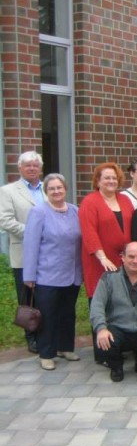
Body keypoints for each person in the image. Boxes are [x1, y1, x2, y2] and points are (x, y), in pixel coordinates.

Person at [22, 173, 82, 370]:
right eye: (51, 189)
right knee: (47, 315)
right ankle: (46, 353)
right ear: (46, 191)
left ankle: (66, 347)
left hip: (72, 274)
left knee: (67, 313)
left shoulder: (75, 210)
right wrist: (29, 276)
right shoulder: (39, 212)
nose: (56, 191)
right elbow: (31, 245)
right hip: (47, 275)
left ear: (65, 189)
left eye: (59, 188)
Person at [90, 242, 137, 382]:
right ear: (122, 257)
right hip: (117, 328)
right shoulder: (108, 278)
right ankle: (116, 365)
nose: (135, 261)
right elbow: (97, 306)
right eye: (131, 256)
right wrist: (101, 329)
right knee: (103, 345)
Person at [0, 151, 46, 353]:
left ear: (40, 168)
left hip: (48, 252)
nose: (32, 168)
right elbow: (5, 220)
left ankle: (46, 334)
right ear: (20, 168)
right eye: (27, 165)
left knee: (46, 294)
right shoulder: (8, 191)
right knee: (27, 296)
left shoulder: (50, 188)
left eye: (35, 165)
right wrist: (32, 232)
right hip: (23, 252)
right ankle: (31, 337)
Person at [79, 162, 134, 301]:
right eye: (107, 178)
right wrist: (103, 258)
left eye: (114, 178)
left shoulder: (125, 199)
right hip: (100, 261)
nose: (111, 181)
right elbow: (89, 232)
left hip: (125, 261)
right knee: (102, 301)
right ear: (98, 181)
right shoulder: (89, 202)